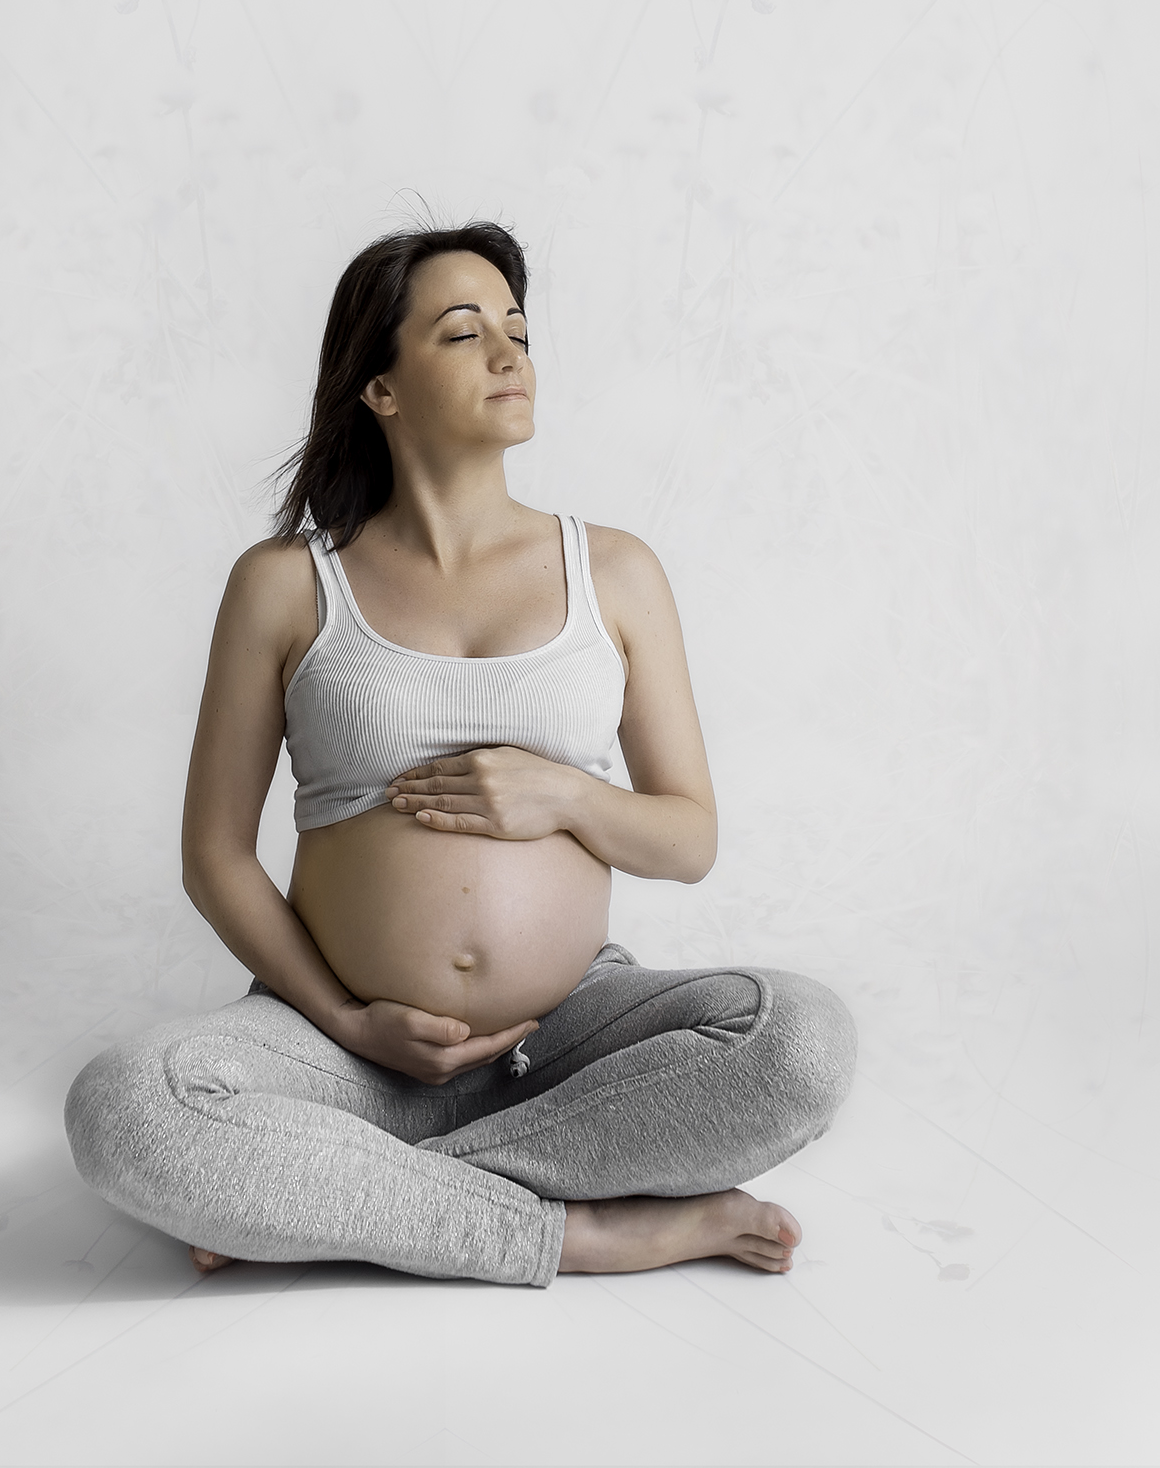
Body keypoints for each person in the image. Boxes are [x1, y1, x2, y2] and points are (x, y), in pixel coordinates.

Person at [64, 220, 856, 1287]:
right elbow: (214, 852)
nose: (507, 353)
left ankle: (334, 1199)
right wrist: (344, 1014)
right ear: (379, 387)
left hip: (566, 1036)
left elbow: (688, 837)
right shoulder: (284, 583)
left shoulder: (615, 571)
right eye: (461, 330)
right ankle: (580, 1231)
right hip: (334, 1040)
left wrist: (566, 793)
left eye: (517, 330)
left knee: (798, 1039)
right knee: (125, 1107)